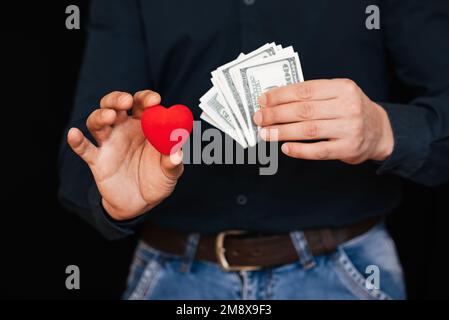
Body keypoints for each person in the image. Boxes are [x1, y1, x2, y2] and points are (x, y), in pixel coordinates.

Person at [59, 0, 449, 300]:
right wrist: (108, 198)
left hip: (349, 272)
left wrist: (383, 130)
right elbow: (87, 152)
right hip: (172, 276)